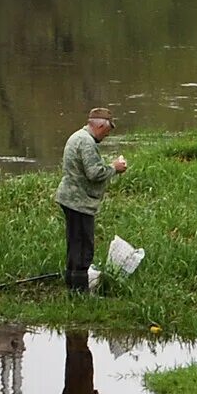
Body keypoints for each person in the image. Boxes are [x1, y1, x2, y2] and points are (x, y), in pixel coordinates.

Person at [56, 106, 128, 292]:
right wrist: (115, 167)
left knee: (74, 245)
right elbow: (94, 173)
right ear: (101, 126)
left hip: (71, 199)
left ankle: (72, 288)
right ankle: (80, 293)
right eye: (108, 130)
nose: (107, 135)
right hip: (79, 202)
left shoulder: (77, 137)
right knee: (83, 248)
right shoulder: (87, 143)